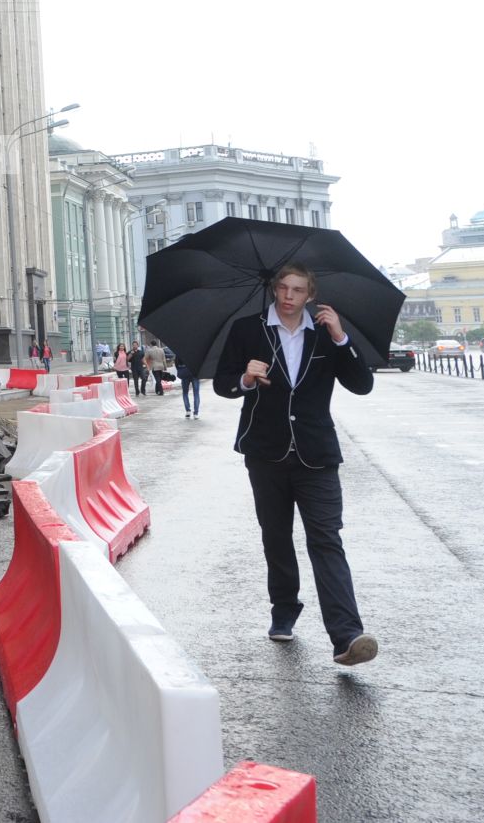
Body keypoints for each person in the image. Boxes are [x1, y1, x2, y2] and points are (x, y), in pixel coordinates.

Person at [214, 262, 378, 667]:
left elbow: (361, 384)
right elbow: (222, 383)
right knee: (276, 536)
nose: (289, 296)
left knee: (326, 539)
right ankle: (284, 609)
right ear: (274, 290)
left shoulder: (325, 332)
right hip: (265, 453)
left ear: (310, 294)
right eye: (284, 288)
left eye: (298, 290)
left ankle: (346, 636)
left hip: (317, 455)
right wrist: (246, 379)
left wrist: (341, 338)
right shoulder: (247, 329)